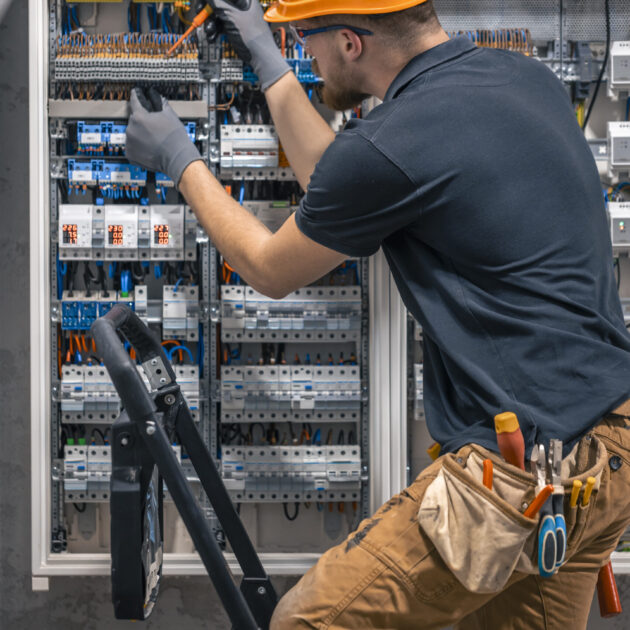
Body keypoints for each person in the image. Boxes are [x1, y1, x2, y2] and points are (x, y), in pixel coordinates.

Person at [125, 1, 630, 627]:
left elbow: (269, 266)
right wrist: (268, 59)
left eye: (305, 37)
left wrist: (182, 161)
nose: (304, 50)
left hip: (522, 473)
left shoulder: (396, 139)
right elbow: (341, 180)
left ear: (350, 41)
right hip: (610, 452)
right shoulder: (524, 79)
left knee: (306, 622)